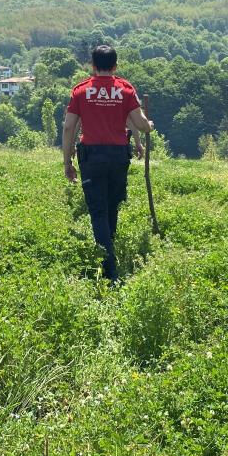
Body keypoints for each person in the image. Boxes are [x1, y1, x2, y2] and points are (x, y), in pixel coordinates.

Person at [62, 45, 153, 283]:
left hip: (91, 156)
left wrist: (67, 161)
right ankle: (108, 254)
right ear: (115, 66)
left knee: (99, 210)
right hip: (118, 155)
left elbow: (69, 126)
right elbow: (140, 124)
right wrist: (149, 125)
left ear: (92, 65)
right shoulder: (125, 90)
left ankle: (108, 265)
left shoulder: (80, 92)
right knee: (112, 206)